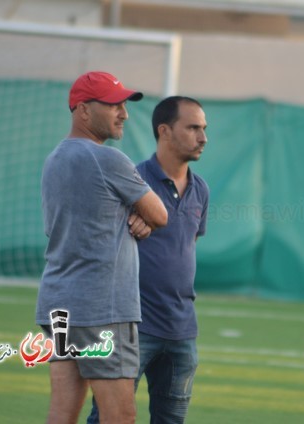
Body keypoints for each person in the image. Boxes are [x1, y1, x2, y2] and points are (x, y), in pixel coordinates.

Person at [36, 71, 168, 424]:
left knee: (61, 413)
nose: (123, 112)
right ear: (82, 110)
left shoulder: (54, 159)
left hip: (59, 304)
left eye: (123, 104)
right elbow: (160, 213)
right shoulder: (109, 159)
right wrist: (144, 216)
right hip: (101, 309)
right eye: (113, 104)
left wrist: (138, 215)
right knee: (120, 415)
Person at [87, 96, 209, 424]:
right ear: (165, 131)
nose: (203, 137)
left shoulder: (201, 190)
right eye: (193, 127)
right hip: (130, 326)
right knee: (107, 418)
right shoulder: (131, 179)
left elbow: (184, 248)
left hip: (182, 330)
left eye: (204, 129)